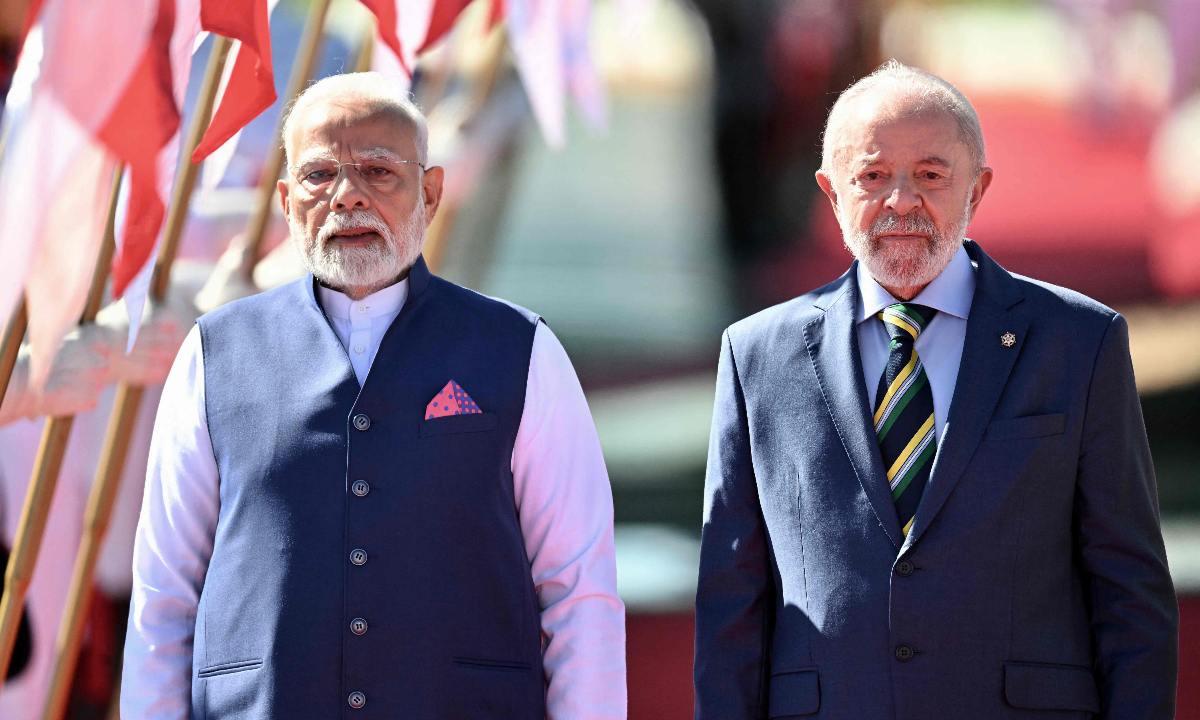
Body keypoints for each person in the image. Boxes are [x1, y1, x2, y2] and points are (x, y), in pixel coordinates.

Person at [120, 71, 626, 720]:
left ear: (431, 192)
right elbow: (163, 597)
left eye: (379, 171)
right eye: (318, 175)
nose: (347, 196)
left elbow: (580, 594)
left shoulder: (521, 351)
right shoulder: (214, 354)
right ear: (285, 201)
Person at [694, 60, 1177, 719]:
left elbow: (1129, 587)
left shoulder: (1079, 342)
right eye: (872, 176)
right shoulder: (757, 355)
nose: (900, 201)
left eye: (930, 175)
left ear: (977, 190)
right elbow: (731, 599)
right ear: (831, 193)